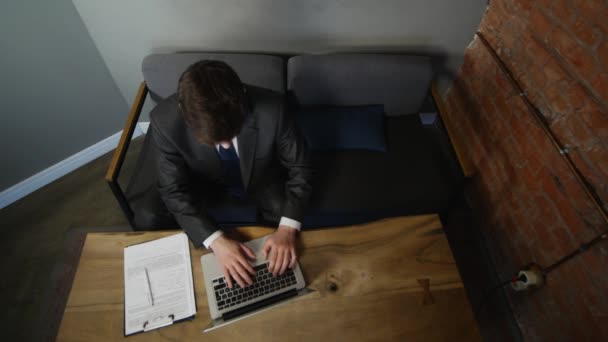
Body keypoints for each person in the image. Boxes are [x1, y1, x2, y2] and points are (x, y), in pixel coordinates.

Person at [147, 60, 313, 289]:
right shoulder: (163, 121)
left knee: (287, 216)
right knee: (152, 216)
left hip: (260, 177)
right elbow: (173, 190)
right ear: (185, 116)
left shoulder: (274, 108)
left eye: (231, 134)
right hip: (202, 182)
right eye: (216, 141)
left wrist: (286, 230)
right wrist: (216, 241)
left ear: (242, 99)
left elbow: (301, 168)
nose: (225, 145)